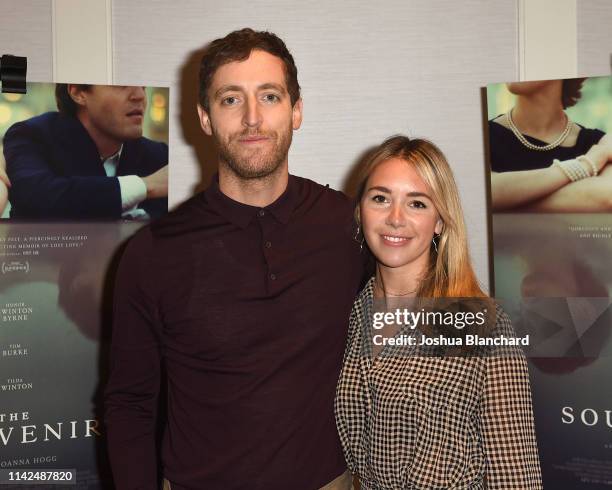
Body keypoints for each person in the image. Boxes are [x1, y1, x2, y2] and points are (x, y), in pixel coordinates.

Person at [104, 28, 363, 490]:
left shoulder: (348, 226)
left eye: (269, 96)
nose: (251, 118)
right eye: (230, 100)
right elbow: (129, 404)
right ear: (204, 118)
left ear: (296, 110)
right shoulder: (152, 252)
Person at [335, 136, 543, 489]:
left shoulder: (477, 322)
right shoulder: (353, 312)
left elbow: (516, 472)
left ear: (440, 222)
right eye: (380, 198)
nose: (395, 218)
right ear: (360, 211)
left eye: (416, 203)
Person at [2, 84, 168, 220]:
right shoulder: (33, 135)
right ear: (78, 93)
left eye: (143, 87)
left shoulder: (159, 155)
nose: (139, 96)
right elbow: (35, 199)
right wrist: (145, 186)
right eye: (122, 85)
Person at [489, 78, 612, 212]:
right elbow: (484, 191)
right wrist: (585, 164)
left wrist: (505, 199)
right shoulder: (483, 134)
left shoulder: (598, 142)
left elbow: (607, 195)